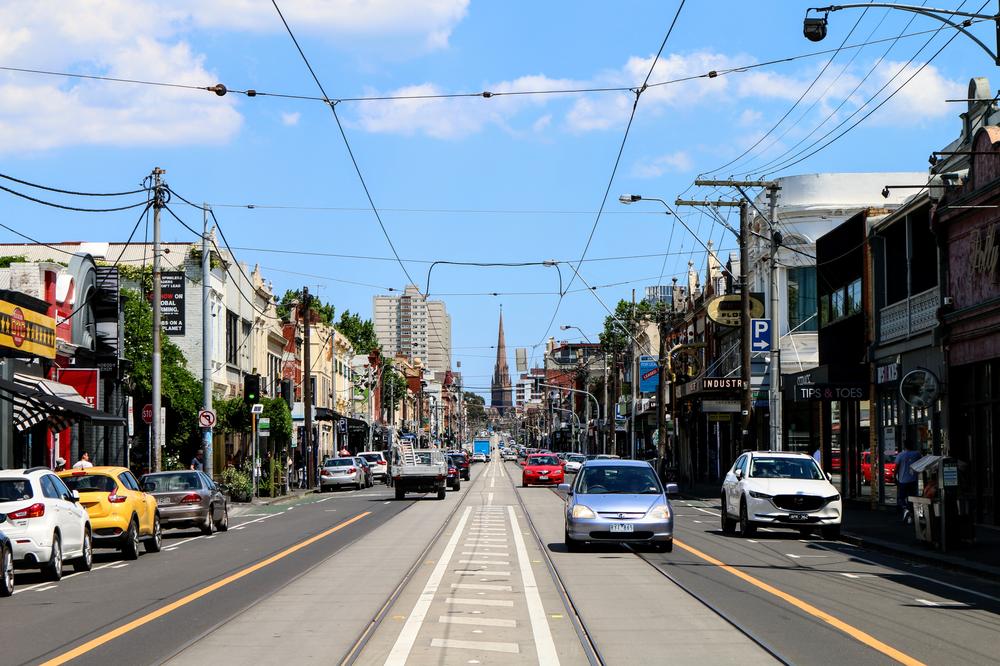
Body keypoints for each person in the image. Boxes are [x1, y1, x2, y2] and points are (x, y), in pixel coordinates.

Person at [895, 441, 922, 523]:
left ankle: (905, 509)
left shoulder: (901, 455)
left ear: (904, 446)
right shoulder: (917, 454)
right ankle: (911, 517)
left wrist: (894, 477)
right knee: (912, 498)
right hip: (913, 480)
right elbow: (921, 463)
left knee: (901, 498)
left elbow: (896, 467)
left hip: (903, 480)